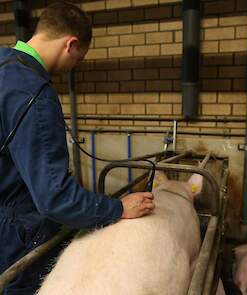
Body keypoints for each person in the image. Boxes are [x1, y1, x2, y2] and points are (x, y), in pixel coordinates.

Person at [0, 2, 155, 294]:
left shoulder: (3, 64)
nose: (74, 67)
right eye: (79, 59)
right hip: (19, 229)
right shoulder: (34, 95)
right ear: (71, 44)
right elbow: (54, 198)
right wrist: (118, 207)